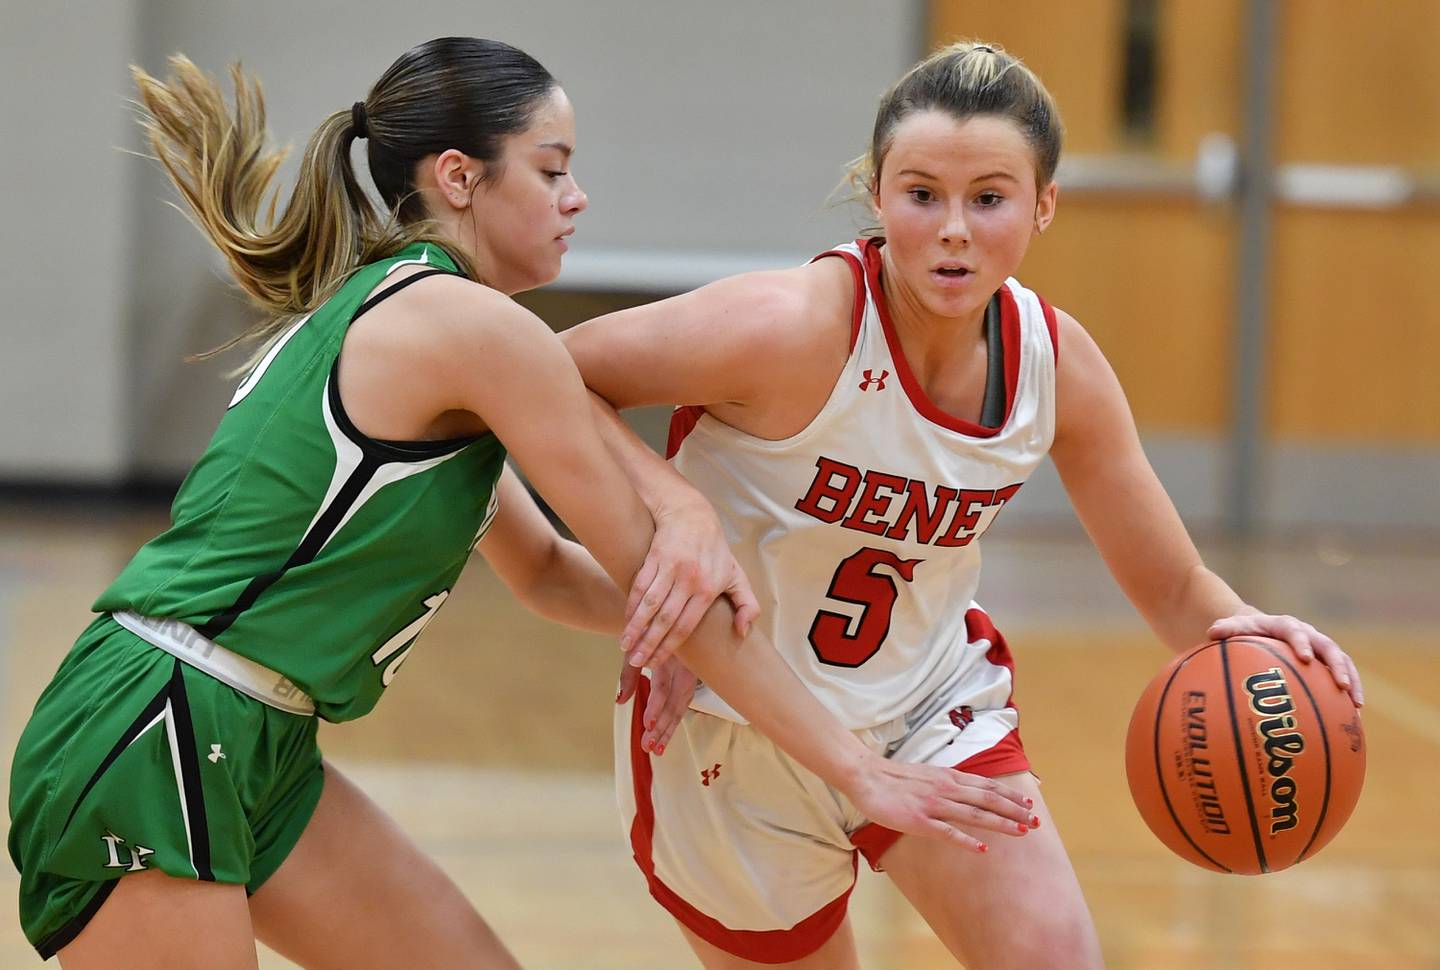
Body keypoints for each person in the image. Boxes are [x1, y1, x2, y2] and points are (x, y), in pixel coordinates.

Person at [6, 38, 1037, 969]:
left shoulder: (421, 319)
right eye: (551, 169)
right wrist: (858, 767)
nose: (577, 196)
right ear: (460, 178)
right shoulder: (467, 325)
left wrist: (671, 596)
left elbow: (547, 572)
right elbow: (643, 553)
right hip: (160, 723)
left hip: (260, 739)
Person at [563, 40, 1366, 969]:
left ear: (1044, 203)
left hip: (927, 703)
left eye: (988, 197)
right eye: (920, 195)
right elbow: (545, 379)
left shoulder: (1055, 366)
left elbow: (1175, 584)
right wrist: (678, 518)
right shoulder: (787, 328)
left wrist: (1245, 630)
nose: (953, 228)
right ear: (878, 196)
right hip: (730, 720)